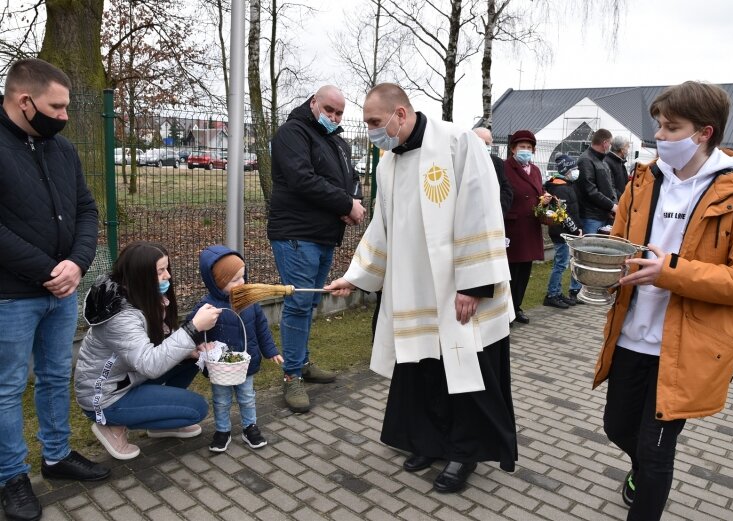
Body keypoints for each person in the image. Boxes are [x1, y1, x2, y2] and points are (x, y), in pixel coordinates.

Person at [594, 81, 733, 521]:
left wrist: (672, 272)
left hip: (684, 349)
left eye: (672, 127)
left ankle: (645, 487)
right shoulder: (642, 180)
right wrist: (607, 258)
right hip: (630, 337)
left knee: (657, 455)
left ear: (704, 132)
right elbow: (621, 240)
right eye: (658, 124)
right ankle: (636, 468)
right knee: (617, 428)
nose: (660, 135)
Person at [326, 83, 518, 494]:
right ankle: (430, 442)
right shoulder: (388, 163)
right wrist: (356, 276)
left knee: (464, 372)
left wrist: (475, 283)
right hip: (415, 288)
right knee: (424, 370)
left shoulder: (457, 142)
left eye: (376, 122)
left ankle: (464, 452)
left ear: (400, 114)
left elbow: (481, 208)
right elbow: (383, 227)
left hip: (458, 289)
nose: (373, 131)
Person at [0, 58, 109, 521]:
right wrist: (48, 268)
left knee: (53, 376)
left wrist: (77, 263)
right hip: (10, 295)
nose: (65, 117)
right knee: (6, 389)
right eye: (57, 107)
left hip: (62, 291)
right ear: (25, 102)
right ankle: (11, 476)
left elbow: (86, 209)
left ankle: (57, 456)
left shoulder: (61, 150)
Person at [74, 242, 222, 461]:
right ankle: (112, 426)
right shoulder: (121, 317)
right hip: (106, 398)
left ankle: (160, 423)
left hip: (126, 378)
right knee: (197, 409)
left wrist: (190, 350)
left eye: (167, 269)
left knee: (189, 358)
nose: (167, 276)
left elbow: (157, 343)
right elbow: (150, 365)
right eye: (160, 271)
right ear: (140, 274)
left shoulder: (140, 294)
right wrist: (193, 330)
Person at [267, 85, 366, 413]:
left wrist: (355, 203)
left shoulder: (337, 141)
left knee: (308, 303)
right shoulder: (292, 134)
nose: (334, 117)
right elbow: (302, 179)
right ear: (313, 103)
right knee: (298, 303)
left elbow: (352, 179)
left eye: (339, 113)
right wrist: (344, 205)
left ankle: (303, 363)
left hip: (323, 235)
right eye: (329, 110)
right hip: (297, 233)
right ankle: (291, 376)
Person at [188, 245, 283, 452]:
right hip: (220, 366)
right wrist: (199, 343)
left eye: (243, 276)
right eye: (234, 280)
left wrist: (271, 351)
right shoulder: (206, 306)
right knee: (221, 400)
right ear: (217, 283)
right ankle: (223, 430)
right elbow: (192, 328)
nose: (242, 282)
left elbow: (262, 328)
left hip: (245, 363)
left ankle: (250, 427)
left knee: (247, 397)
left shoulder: (250, 302)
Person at [503, 129, 552, 324]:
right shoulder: (505, 167)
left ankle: (517, 307)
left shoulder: (536, 170)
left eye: (529, 148)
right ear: (513, 149)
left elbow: (537, 192)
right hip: (513, 228)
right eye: (522, 147)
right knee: (510, 272)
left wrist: (545, 198)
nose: (526, 150)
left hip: (530, 226)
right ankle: (505, 311)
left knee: (524, 271)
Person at [542, 153, 583, 309]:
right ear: (566, 170)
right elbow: (564, 215)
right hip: (562, 233)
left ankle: (557, 292)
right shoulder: (561, 189)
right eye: (574, 168)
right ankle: (552, 294)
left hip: (565, 232)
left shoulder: (566, 186)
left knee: (562, 264)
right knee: (560, 265)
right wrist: (575, 230)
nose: (576, 171)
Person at [577, 128, 618, 235]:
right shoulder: (585, 160)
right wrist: (612, 206)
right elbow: (590, 190)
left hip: (603, 215)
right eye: (610, 143)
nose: (610, 146)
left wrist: (613, 205)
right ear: (604, 143)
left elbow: (611, 186)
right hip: (591, 217)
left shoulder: (603, 161)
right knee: (589, 250)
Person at [473, 127, 513, 214]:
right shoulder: (462, 161)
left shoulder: (497, 163)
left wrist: (497, 210)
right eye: (480, 142)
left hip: (492, 215)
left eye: (487, 143)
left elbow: (506, 190)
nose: (483, 146)